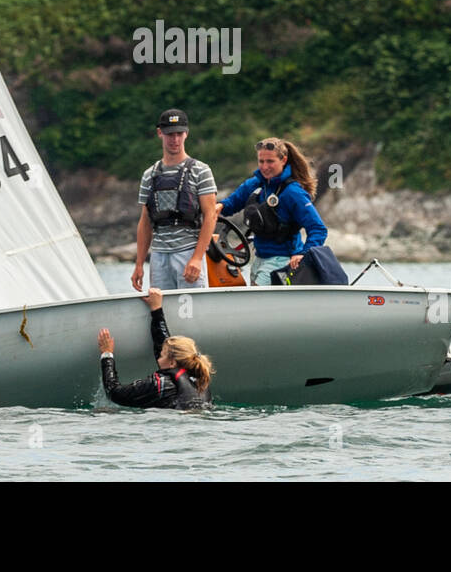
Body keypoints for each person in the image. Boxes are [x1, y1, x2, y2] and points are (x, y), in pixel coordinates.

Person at [218, 137, 328, 287]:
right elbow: (230, 205)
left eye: (270, 161)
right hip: (258, 259)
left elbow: (318, 229)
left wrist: (302, 254)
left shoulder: (293, 193)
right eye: (261, 161)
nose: (265, 167)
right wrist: (216, 208)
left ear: (283, 160)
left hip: (282, 261)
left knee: (255, 299)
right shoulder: (254, 184)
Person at [131, 108, 218, 291]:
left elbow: (210, 216)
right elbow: (145, 221)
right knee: (162, 310)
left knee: (192, 312)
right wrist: (139, 264)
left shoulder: (201, 170)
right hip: (159, 256)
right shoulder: (149, 175)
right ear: (160, 133)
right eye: (170, 134)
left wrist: (196, 258)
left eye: (179, 133)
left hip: (188, 253)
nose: (175, 139)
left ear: (186, 133)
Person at [98, 288, 214, 410]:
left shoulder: (161, 384)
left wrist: (107, 355)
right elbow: (164, 346)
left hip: (170, 424)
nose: (158, 359)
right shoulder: (201, 381)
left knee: (103, 411)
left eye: (162, 356)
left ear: (172, 362)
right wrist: (156, 310)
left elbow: (114, 393)